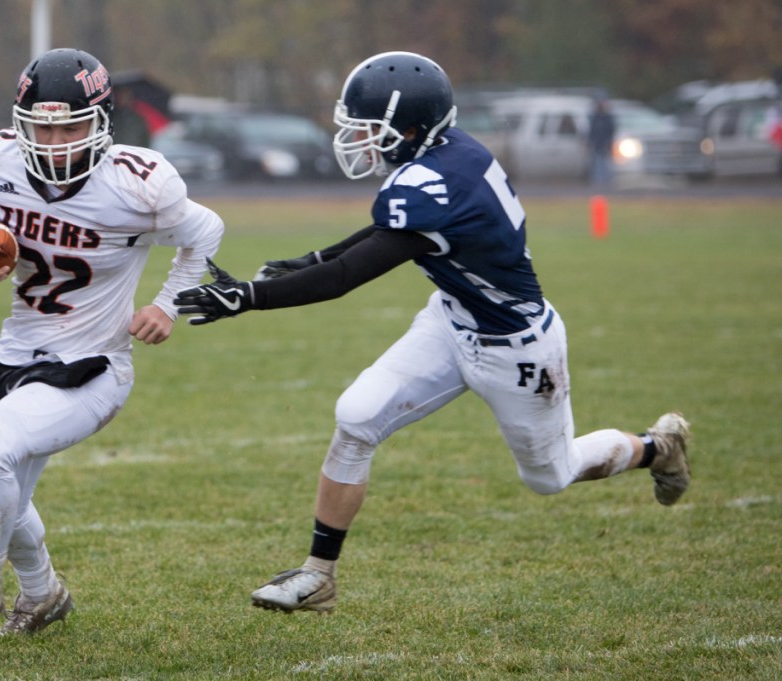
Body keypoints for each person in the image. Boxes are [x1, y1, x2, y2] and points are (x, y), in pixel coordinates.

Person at [173, 51, 690, 614]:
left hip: (516, 347)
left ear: (412, 129)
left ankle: (657, 448)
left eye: (370, 129)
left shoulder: (433, 186)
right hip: (450, 320)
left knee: (551, 475)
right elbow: (385, 233)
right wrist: (315, 255)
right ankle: (318, 575)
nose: (360, 141)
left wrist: (249, 297)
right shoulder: (448, 154)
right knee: (356, 416)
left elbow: (350, 276)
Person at [0, 47, 224, 643]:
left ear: (103, 121)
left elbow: (206, 230)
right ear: (20, 124)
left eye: (72, 125)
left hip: (93, 365)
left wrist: (166, 304)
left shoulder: (138, 184)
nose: (57, 140)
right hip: (14, 356)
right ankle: (44, 594)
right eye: (43, 126)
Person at [588, 97, 616, 185]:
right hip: (597, 144)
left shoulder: (607, 117)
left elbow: (611, 130)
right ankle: (598, 180)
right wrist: (590, 141)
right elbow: (592, 131)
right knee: (597, 162)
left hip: (605, 143)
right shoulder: (595, 117)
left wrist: (609, 142)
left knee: (605, 162)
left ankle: (607, 179)